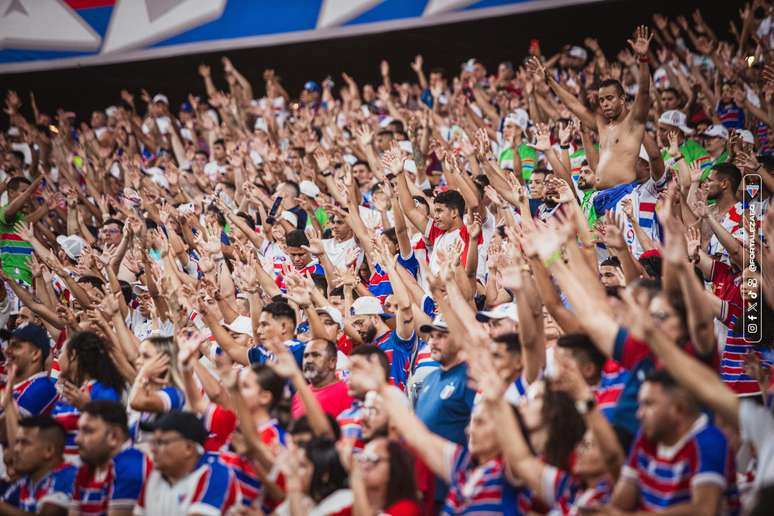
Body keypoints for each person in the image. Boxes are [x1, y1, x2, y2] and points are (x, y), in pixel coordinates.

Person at [527, 26, 652, 190]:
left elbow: (643, 91)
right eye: (601, 100)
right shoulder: (602, 125)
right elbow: (573, 105)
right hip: (600, 198)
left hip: (623, 197)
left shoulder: (633, 122)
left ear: (622, 99)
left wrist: (643, 59)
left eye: (609, 98)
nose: (605, 104)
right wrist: (550, 81)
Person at [134, 411, 241, 514]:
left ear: (188, 448)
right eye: (153, 442)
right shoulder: (154, 475)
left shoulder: (216, 474)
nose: (153, 449)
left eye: (161, 442)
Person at [72, 400, 151, 514]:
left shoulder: (131, 467)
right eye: (78, 431)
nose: (77, 439)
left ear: (114, 436)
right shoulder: (86, 470)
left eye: (88, 431)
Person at [0, 416, 76, 515]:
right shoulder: (27, 481)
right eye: (17, 442)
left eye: (25, 443)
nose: (16, 449)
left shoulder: (69, 477)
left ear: (49, 450)